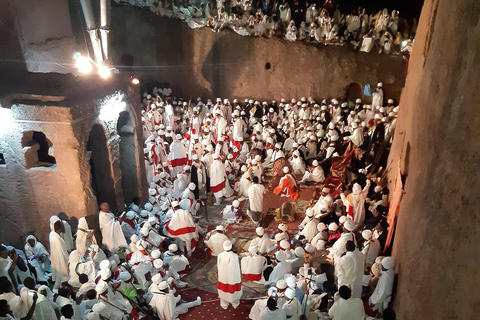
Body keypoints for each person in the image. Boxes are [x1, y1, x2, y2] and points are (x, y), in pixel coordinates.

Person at [217, 240, 242, 309]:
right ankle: (235, 303)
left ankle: (224, 304)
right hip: (233, 277)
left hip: (223, 276)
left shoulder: (220, 255)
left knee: (223, 289)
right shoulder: (234, 256)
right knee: (233, 290)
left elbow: (218, 266)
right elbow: (236, 268)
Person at [48, 220, 69, 289]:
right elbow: (62, 252)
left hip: (57, 257)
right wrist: (68, 260)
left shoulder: (52, 234)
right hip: (60, 259)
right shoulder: (57, 240)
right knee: (62, 275)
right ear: (61, 228)